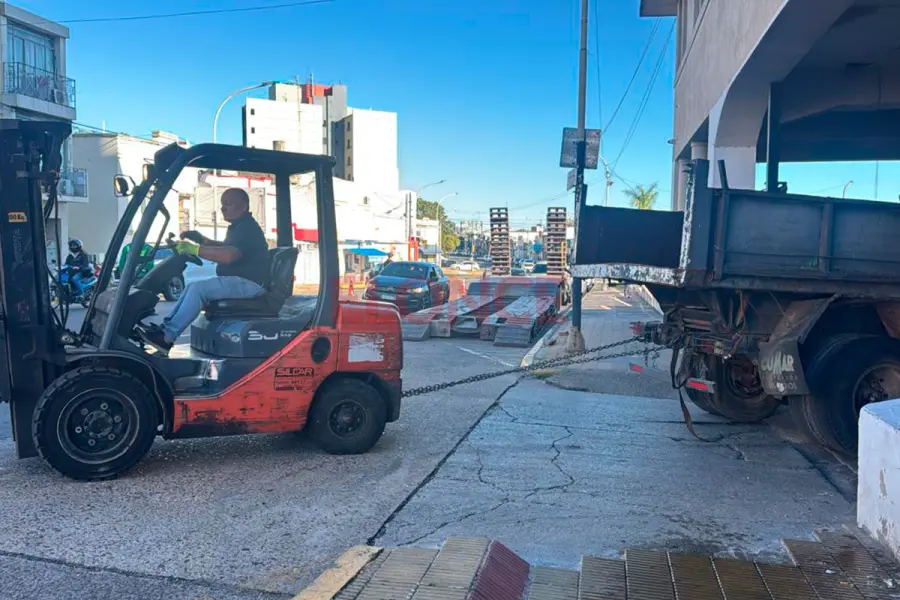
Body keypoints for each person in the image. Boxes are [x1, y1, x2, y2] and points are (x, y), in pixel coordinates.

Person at [140, 188, 269, 352]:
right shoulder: (238, 227)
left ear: (243, 206)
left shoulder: (247, 228)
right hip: (241, 281)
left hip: (250, 283)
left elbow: (228, 255)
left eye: (228, 204)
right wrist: (201, 240)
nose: (223, 208)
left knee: (198, 289)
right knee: (191, 287)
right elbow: (225, 247)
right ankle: (164, 331)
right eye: (222, 204)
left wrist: (194, 249)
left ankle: (167, 337)